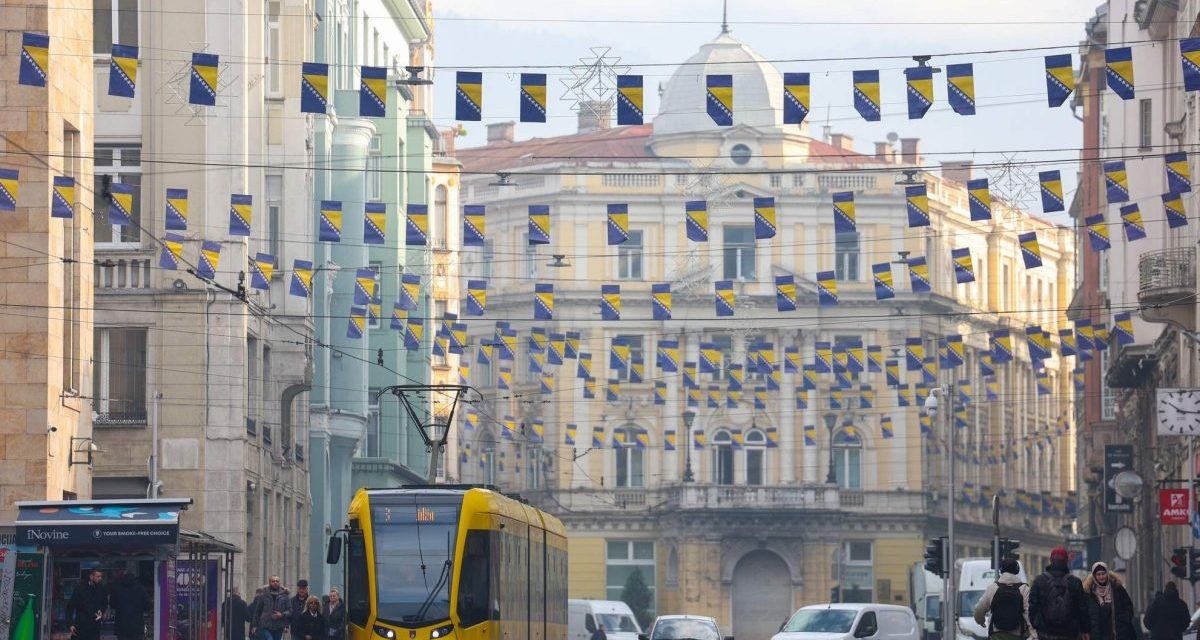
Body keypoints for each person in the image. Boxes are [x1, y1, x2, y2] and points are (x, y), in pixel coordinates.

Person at [1030, 547, 1092, 640]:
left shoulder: (1039, 581)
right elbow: (1082, 608)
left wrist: (1036, 624)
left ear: (1051, 560)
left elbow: (1032, 606)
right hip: (1069, 634)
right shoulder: (1075, 582)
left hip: (1045, 633)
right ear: (1066, 561)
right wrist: (1085, 630)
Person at [973, 557, 1032, 640]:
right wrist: (1034, 634)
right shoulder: (1024, 589)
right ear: (1017, 570)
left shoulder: (993, 588)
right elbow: (1029, 613)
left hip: (997, 634)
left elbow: (979, 609)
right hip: (1018, 635)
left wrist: (980, 620)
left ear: (1001, 570)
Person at [1083, 563, 1137, 640]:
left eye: (1103, 573)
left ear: (1107, 573)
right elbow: (1084, 614)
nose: (1101, 577)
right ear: (1094, 576)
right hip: (1098, 636)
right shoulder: (1089, 594)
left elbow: (1128, 606)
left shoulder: (1117, 589)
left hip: (1119, 634)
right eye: (1098, 574)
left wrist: (1123, 621)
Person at [69, 570, 108, 640]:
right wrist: (70, 624)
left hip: (94, 625)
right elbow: (70, 607)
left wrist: (101, 611)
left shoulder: (102, 589)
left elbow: (104, 603)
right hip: (81, 625)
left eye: (101, 576)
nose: (100, 578)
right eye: (98, 576)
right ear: (91, 576)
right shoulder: (80, 589)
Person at [109, 573, 148, 640]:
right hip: (137, 625)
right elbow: (147, 605)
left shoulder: (117, 589)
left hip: (122, 625)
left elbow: (112, 604)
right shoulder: (140, 589)